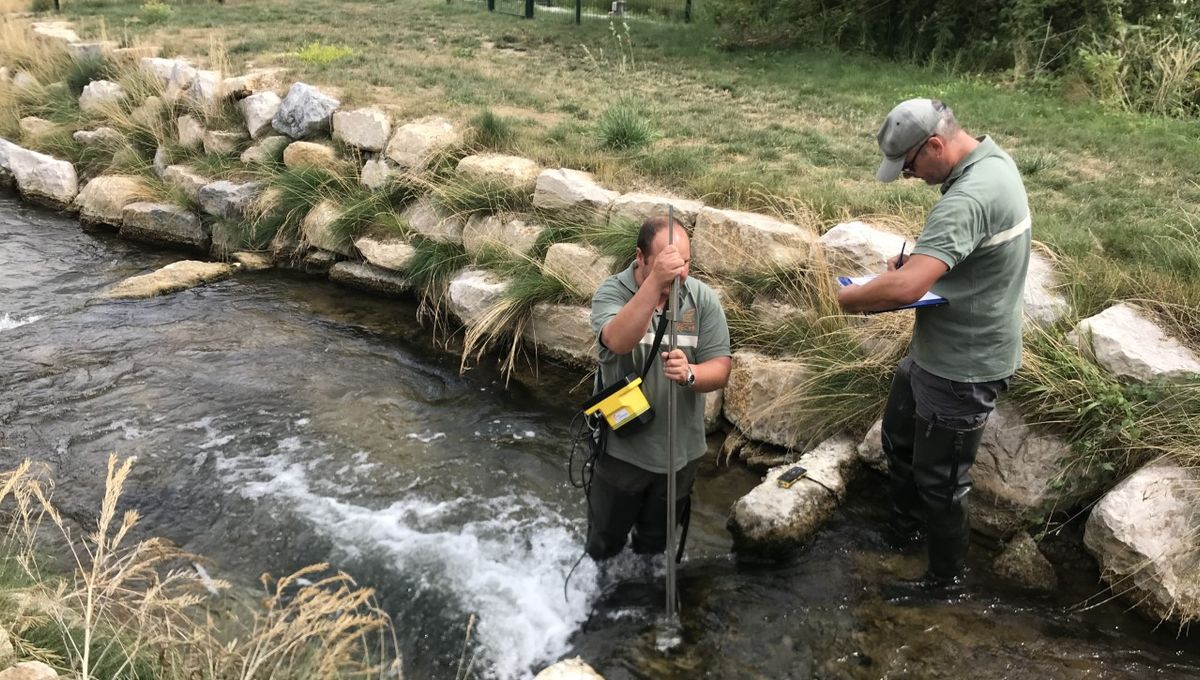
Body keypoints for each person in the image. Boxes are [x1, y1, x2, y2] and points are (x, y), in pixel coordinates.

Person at [837, 98, 1031, 589]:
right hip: (940, 347)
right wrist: (919, 268)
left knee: (943, 483)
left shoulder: (968, 197)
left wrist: (845, 298)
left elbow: (905, 291)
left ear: (936, 145)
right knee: (898, 439)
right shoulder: (989, 160)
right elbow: (963, 257)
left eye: (908, 166)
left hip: (964, 365)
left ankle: (944, 584)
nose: (907, 177)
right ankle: (903, 533)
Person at [585, 214, 732, 561]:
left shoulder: (702, 300)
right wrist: (655, 286)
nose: (678, 274)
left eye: (684, 264)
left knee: (654, 545)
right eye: (667, 265)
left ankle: (642, 597)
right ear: (640, 258)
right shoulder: (613, 292)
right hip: (622, 455)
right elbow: (618, 341)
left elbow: (721, 367)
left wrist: (691, 374)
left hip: (680, 457)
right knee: (604, 542)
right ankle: (597, 593)